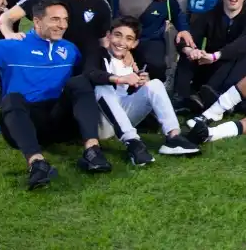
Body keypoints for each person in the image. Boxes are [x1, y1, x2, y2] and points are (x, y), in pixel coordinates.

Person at [0, 1, 112, 190]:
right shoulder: (12, 46)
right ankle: (37, 163)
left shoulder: (69, 49)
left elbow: (89, 74)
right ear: (37, 21)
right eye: (55, 19)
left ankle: (92, 151)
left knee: (80, 82)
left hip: (59, 121)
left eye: (65, 20)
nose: (63, 25)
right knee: (11, 99)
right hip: (24, 123)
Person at [86, 17, 201, 165]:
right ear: (109, 35)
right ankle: (133, 143)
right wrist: (120, 79)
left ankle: (173, 137)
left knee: (154, 84)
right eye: (117, 35)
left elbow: (129, 91)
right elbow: (90, 73)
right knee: (103, 88)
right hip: (102, 121)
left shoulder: (132, 59)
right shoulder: (97, 54)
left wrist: (140, 83)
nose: (121, 42)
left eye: (128, 39)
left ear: (134, 44)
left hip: (124, 113)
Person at [173, 0, 246, 113]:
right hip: (211, 65)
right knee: (188, 55)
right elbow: (186, 38)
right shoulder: (209, 16)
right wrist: (190, 50)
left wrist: (215, 56)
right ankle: (181, 98)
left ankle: (212, 97)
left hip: (237, 70)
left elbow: (244, 43)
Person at [105, 0, 191, 81]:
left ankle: (157, 85)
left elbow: (177, 13)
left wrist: (184, 29)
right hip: (120, 39)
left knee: (156, 65)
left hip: (150, 40)